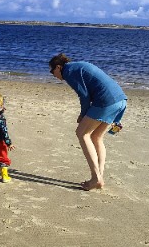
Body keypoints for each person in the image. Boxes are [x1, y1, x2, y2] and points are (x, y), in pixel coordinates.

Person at [49, 53, 127, 191]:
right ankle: (100, 176)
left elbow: (84, 96)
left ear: (58, 67)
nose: (53, 74)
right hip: (120, 100)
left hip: (106, 101)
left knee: (82, 133)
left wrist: (83, 114)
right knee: (96, 137)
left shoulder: (69, 71)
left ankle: (96, 178)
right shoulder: (76, 67)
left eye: (52, 71)